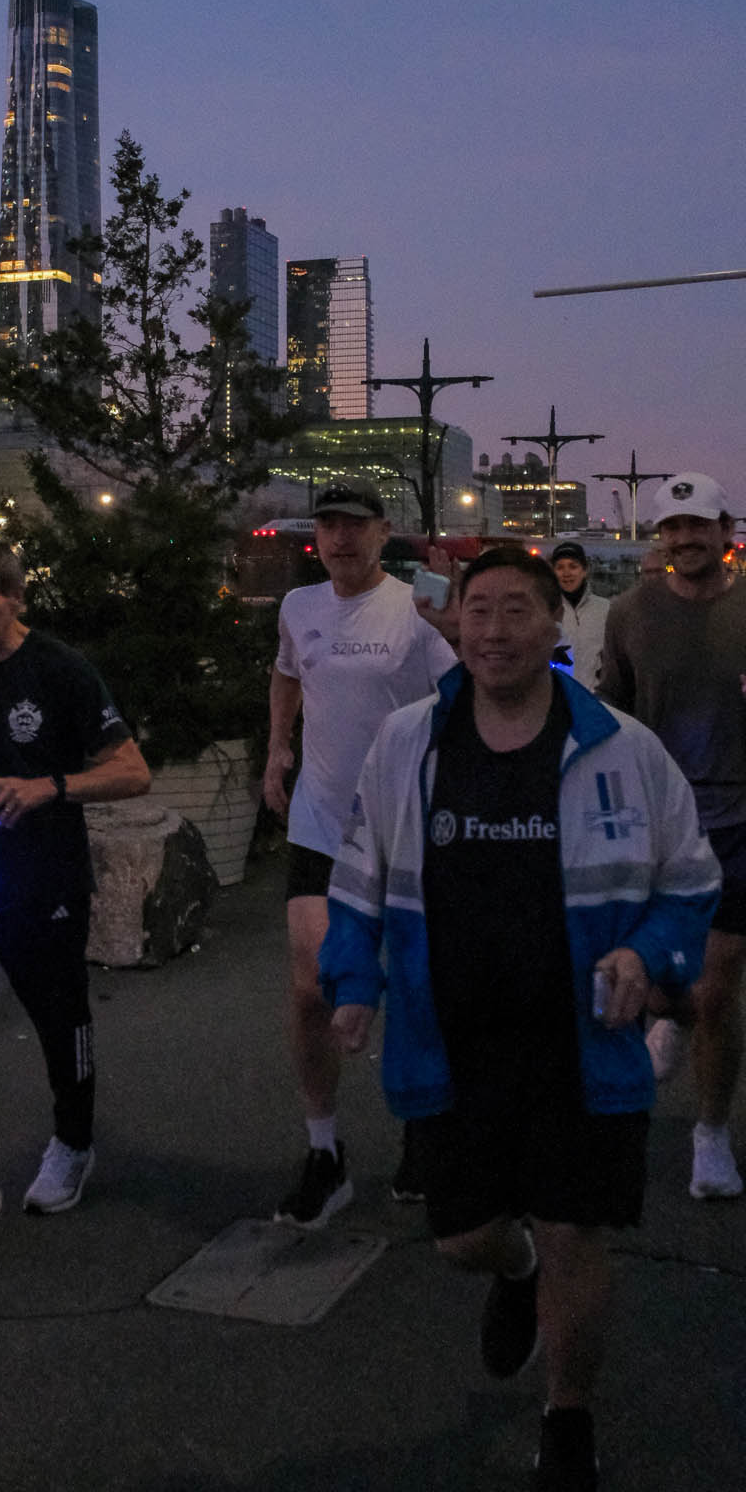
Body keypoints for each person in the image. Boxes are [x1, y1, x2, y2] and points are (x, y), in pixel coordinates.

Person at [323, 545, 718, 1492]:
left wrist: (645, 957)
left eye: (515, 611)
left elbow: (689, 882)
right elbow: (357, 876)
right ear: (453, 623)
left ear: (553, 627)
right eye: (477, 611)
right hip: (449, 1041)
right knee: (461, 1238)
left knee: (573, 1226)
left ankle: (567, 1423)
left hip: (578, 1043)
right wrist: (352, 982)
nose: (493, 630)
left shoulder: (622, 749)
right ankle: (513, 1267)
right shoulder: (407, 742)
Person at [598, 473, 746, 1202]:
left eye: (697, 525)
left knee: (716, 990)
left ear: (726, 530)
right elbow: (611, 711)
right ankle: (668, 1016)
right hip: (655, 826)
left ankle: (711, 1134)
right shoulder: (630, 613)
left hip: (742, 817)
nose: (684, 539)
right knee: (660, 989)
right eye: (671, 528)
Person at [0, 538, 150, 1245]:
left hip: (44, 877)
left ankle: (72, 1143)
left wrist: (47, 786)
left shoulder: (61, 670)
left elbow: (132, 771)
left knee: (59, 1018)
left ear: (16, 597)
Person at [264, 482, 457, 1224]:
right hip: (321, 823)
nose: (340, 538)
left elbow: (466, 694)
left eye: (355, 526)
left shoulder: (417, 609)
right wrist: (278, 749)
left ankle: (423, 1127)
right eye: (328, 525)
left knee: (416, 984)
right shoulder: (298, 606)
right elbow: (287, 673)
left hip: (406, 825)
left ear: (383, 532)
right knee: (312, 987)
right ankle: (324, 1150)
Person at [551, 541, 607, 691]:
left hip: (593, 698)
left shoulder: (604, 609)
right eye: (560, 567)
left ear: (584, 570)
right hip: (557, 697)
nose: (566, 573)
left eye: (573, 566)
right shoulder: (545, 609)